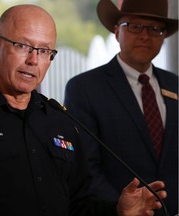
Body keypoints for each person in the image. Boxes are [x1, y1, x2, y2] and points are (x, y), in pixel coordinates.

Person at [0, 4, 167, 216]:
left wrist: (117, 210)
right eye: (22, 46)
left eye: (44, 50)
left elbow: (79, 205)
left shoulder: (62, 122)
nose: (33, 60)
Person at [64, 0, 178, 215]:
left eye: (155, 29)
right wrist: (123, 207)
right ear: (117, 32)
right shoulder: (84, 89)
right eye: (135, 26)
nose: (145, 35)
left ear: (163, 37)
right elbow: (87, 168)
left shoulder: (175, 85)